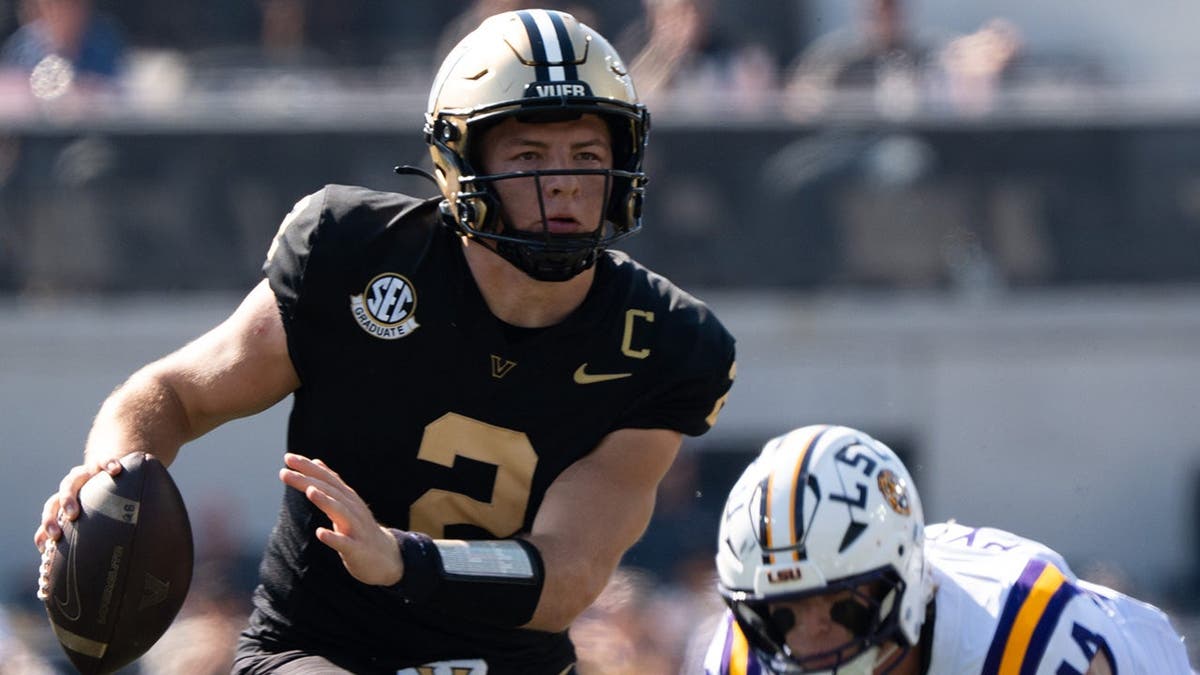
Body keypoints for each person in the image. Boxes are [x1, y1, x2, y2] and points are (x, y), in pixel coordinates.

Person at [34, 8, 737, 674]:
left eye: (587, 153)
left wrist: (402, 555)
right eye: (529, 156)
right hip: (320, 649)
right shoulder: (357, 256)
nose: (565, 186)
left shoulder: (662, 339)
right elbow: (170, 393)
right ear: (460, 164)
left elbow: (566, 575)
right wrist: (109, 474)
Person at [704, 424, 1195, 674]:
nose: (813, 633)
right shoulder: (742, 657)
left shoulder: (1027, 639)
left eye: (842, 605)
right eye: (784, 613)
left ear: (905, 582)